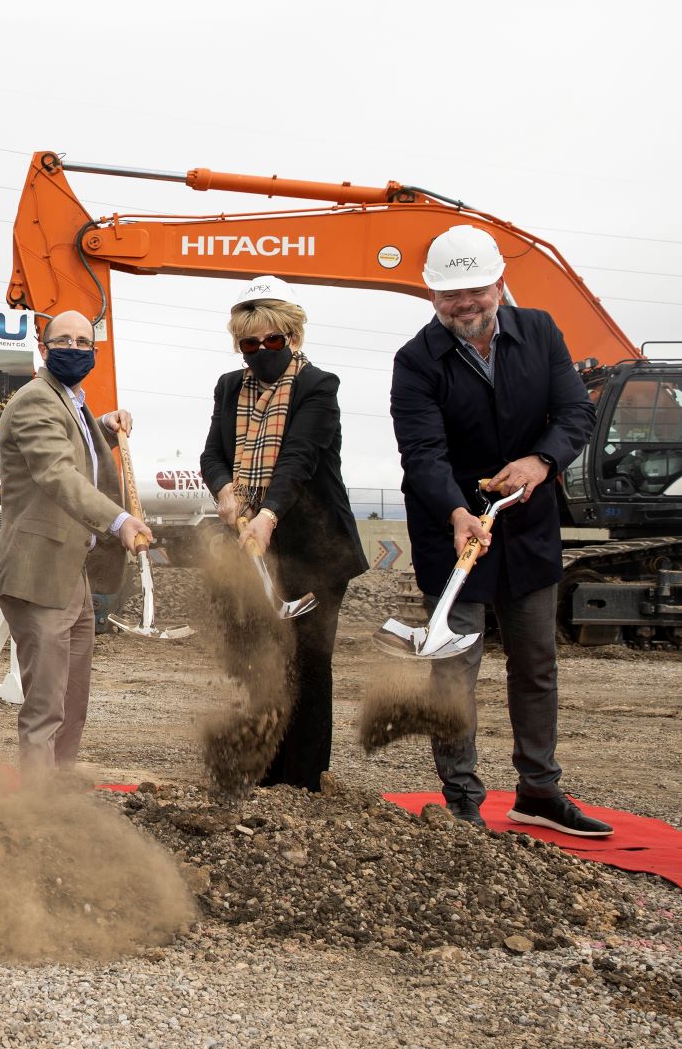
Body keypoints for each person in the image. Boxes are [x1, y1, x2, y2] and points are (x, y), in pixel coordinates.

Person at [391, 225, 610, 835]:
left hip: (529, 525)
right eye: (449, 295)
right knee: (454, 669)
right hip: (453, 531)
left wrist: (541, 461)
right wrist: (457, 512)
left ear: (498, 284)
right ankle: (461, 798)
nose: (465, 304)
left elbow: (575, 412)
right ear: (432, 298)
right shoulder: (415, 360)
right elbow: (422, 453)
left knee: (536, 662)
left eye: (476, 290)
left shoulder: (538, 331)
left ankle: (539, 790)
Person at [199, 276, 369, 791]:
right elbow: (212, 454)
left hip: (312, 548)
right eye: (249, 343)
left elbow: (298, 460)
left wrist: (267, 516)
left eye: (271, 340)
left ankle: (302, 778)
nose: (260, 351)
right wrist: (225, 490)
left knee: (306, 662)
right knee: (259, 659)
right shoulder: (230, 386)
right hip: (248, 549)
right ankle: (262, 766)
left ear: (292, 336)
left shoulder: (319, 386)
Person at [0, 309, 151, 778]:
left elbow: (74, 444)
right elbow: (58, 472)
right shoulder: (34, 402)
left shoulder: (70, 401)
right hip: (39, 572)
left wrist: (101, 425)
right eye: (64, 339)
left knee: (72, 698)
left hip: (71, 573)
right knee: (46, 706)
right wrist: (119, 519)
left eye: (85, 342)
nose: (76, 348)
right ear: (43, 347)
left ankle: (59, 791)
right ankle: (39, 813)